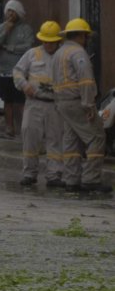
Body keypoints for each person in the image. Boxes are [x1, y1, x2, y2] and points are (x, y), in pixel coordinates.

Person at [53, 17, 111, 194]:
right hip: (78, 101)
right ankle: (91, 180)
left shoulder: (59, 53)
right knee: (97, 136)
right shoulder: (78, 53)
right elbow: (85, 81)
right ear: (80, 36)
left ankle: (71, 180)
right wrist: (88, 105)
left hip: (62, 103)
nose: (87, 40)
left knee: (71, 140)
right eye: (86, 36)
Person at [11, 20, 64, 187]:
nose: (48, 44)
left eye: (51, 42)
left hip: (55, 105)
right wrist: (24, 86)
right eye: (45, 41)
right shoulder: (32, 54)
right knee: (30, 137)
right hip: (34, 103)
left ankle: (54, 175)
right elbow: (17, 71)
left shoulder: (63, 56)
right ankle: (29, 173)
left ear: (57, 41)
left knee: (55, 139)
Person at [0, 0, 32, 138]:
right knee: (7, 101)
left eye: (13, 12)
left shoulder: (25, 29)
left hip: (21, 72)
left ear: (19, 13)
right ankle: (9, 128)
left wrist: (10, 48)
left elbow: (29, 46)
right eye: (8, 11)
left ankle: (24, 128)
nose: (10, 14)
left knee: (21, 101)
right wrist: (5, 32)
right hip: (4, 71)